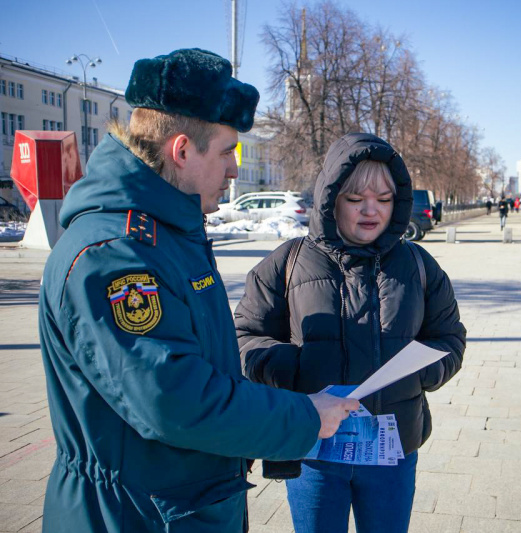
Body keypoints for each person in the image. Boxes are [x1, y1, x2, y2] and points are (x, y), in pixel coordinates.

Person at [38, 49, 357, 533]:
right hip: (132, 515)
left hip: (179, 506)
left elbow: (200, 370)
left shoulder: (169, 233)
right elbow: (175, 400)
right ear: (182, 150)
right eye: (228, 151)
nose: (234, 170)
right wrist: (303, 417)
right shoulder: (116, 255)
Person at [235, 132, 467, 533]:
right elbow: (244, 338)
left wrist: (422, 371)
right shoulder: (286, 262)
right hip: (314, 451)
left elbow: (449, 338)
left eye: (384, 199)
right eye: (356, 199)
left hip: (392, 451)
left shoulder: (419, 265)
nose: (371, 211)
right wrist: (295, 368)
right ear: (331, 198)